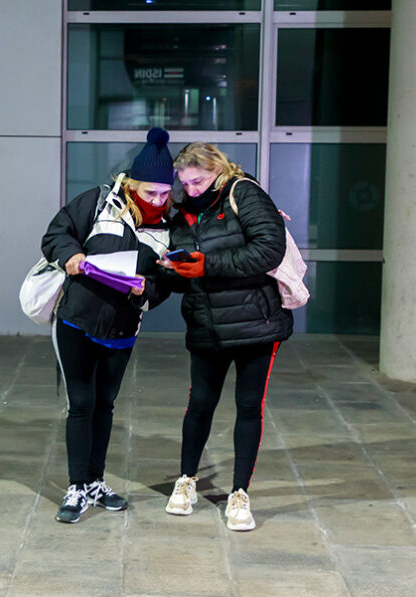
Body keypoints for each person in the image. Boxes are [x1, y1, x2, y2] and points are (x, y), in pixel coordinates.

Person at [41, 127, 175, 524]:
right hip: (77, 320)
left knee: (105, 405)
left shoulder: (170, 227)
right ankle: (77, 487)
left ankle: (96, 481)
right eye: (150, 192)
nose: (157, 200)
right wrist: (70, 255)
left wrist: (145, 289)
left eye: (164, 193)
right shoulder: (99, 203)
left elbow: (167, 283)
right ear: (132, 184)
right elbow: (56, 233)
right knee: (81, 405)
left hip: (122, 328)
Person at [158, 142, 293, 531]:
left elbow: (269, 249)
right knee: (199, 403)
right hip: (206, 325)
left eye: (198, 181)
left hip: (255, 324)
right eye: (184, 183)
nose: (192, 189)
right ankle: (186, 481)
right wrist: (171, 271)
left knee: (249, 405)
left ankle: (239, 494)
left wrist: (207, 265)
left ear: (217, 170)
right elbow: (186, 270)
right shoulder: (182, 213)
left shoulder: (244, 193)